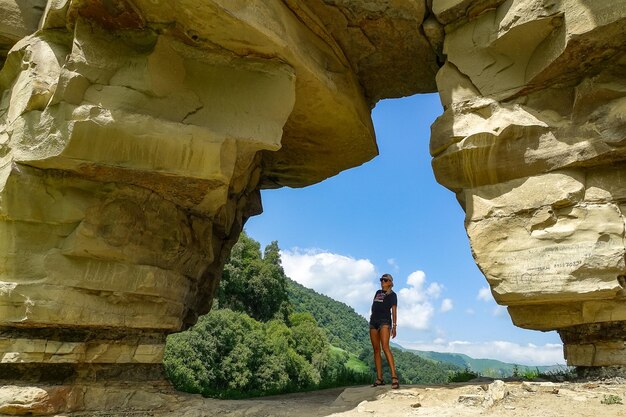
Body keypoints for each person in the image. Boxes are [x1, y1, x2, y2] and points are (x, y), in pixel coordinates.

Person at [369, 273, 399, 389]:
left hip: (385, 322)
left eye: (385, 280)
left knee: (385, 347)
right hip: (373, 322)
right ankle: (380, 378)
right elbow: (374, 306)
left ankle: (394, 378)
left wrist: (395, 326)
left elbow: (394, 310)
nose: (382, 282)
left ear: (391, 282)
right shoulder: (378, 292)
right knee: (376, 350)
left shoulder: (393, 295)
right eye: (381, 280)